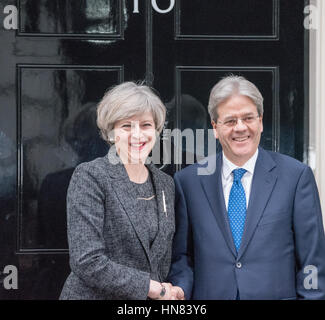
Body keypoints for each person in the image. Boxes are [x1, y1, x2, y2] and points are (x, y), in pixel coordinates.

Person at [167, 75, 325, 300]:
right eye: (230, 121)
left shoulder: (296, 177)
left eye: (248, 118)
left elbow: (313, 262)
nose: (240, 128)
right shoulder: (188, 182)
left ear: (260, 121)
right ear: (215, 127)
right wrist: (180, 289)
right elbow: (182, 257)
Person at [60, 81, 179, 300]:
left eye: (146, 125)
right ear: (111, 132)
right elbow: (87, 260)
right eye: (126, 126)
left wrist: (170, 289)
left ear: (157, 129)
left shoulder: (165, 183)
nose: (137, 134)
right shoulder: (90, 176)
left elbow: (159, 259)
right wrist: (153, 289)